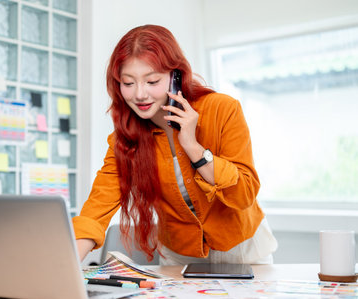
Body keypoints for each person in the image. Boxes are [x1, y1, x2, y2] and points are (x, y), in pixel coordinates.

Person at [72, 24, 277, 265]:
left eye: (152, 81)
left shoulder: (222, 109)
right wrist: (67, 265)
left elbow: (244, 193)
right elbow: (97, 209)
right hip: (180, 255)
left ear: (175, 77)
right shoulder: (125, 139)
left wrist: (192, 147)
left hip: (241, 248)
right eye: (128, 83)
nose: (139, 94)